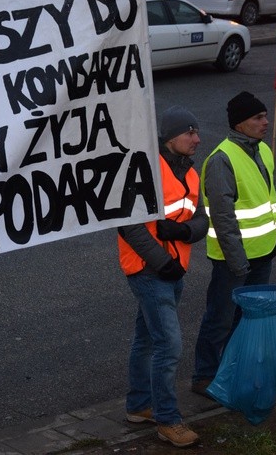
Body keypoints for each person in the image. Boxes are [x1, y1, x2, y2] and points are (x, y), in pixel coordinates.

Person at [117, 106, 208, 448]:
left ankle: (139, 406)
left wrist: (183, 231)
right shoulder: (146, 170)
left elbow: (202, 219)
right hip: (149, 271)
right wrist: (161, 261)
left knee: (148, 340)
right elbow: (128, 224)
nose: (197, 139)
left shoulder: (191, 173)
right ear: (171, 137)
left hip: (173, 268)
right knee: (168, 344)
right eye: (190, 133)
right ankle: (168, 420)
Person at [191, 91, 276, 397]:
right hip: (234, 259)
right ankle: (204, 376)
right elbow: (223, 217)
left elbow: (268, 198)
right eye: (258, 118)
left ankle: (233, 372)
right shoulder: (221, 159)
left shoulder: (263, 150)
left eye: (264, 116)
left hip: (264, 252)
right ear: (240, 124)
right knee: (220, 318)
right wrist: (237, 262)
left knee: (247, 321)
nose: (266, 122)